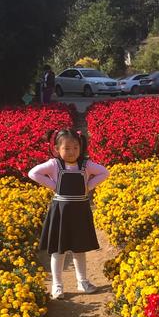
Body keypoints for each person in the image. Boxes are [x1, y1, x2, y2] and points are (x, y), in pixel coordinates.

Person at [28, 128, 109, 300]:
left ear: (81, 147)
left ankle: (82, 281)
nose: (71, 152)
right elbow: (33, 173)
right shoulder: (54, 164)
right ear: (57, 149)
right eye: (67, 148)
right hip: (61, 212)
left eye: (75, 148)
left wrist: (89, 185)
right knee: (59, 251)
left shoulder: (85, 165)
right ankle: (57, 285)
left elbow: (104, 172)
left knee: (80, 249)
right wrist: (53, 186)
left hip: (79, 211)